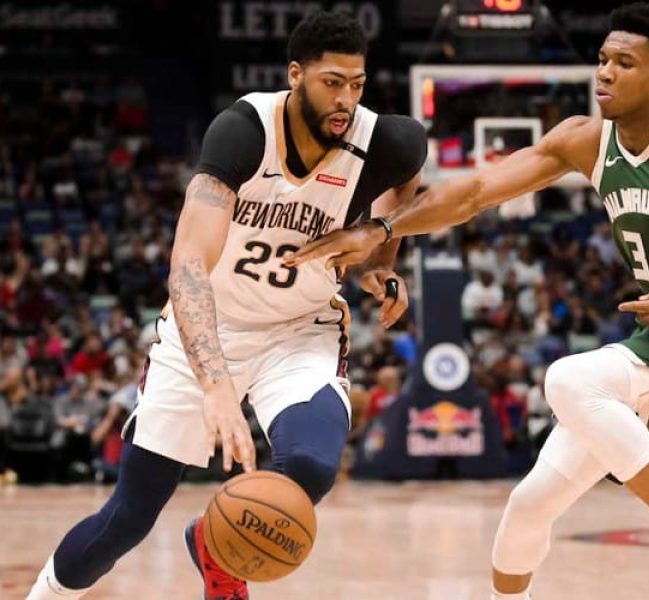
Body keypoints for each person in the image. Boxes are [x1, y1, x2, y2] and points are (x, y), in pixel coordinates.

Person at [286, 3, 649, 598]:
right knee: (527, 506)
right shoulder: (583, 141)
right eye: (602, 59)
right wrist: (382, 230)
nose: (604, 72)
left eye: (624, 63)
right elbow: (473, 191)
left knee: (570, 381)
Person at [27, 12, 425, 600]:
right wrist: (215, 385)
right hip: (207, 329)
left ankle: (214, 549)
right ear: (296, 76)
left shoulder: (388, 141)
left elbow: (404, 190)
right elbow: (188, 264)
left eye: (357, 84)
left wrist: (380, 260)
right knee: (128, 519)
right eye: (331, 82)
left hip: (300, 330)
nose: (346, 98)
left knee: (310, 469)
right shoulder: (243, 131)